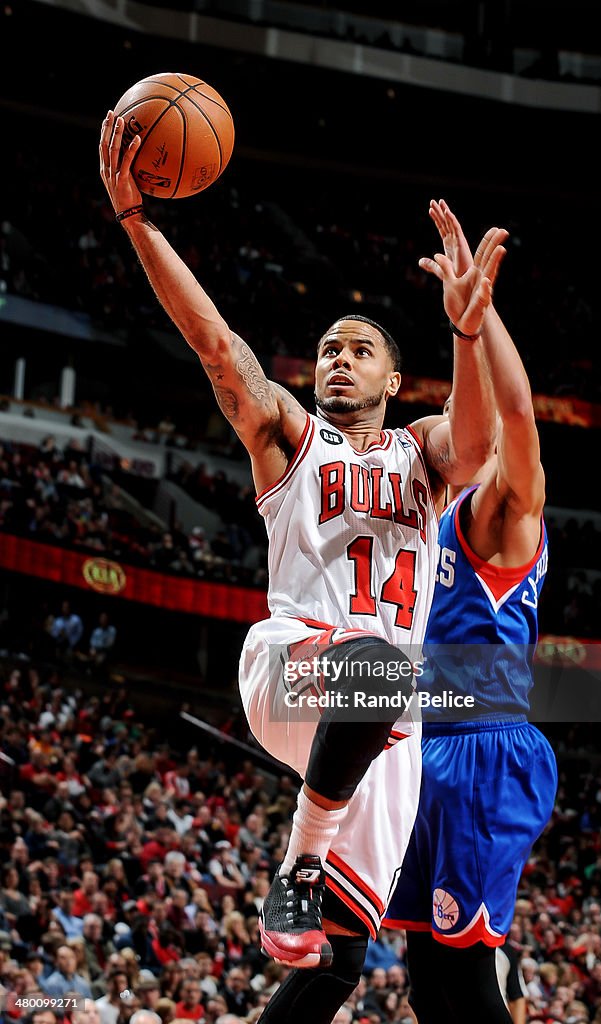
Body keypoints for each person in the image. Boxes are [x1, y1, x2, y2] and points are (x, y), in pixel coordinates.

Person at [99, 114, 505, 1023]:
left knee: (335, 962)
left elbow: (477, 444)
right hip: (293, 665)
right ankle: (297, 860)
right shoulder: (289, 436)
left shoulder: (423, 456)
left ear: (393, 382)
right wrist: (139, 223)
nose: (338, 358)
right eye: (328, 347)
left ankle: (306, 877)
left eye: (359, 349)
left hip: (381, 728)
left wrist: (468, 338)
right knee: (382, 668)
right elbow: (217, 348)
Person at [383, 205, 558, 1023]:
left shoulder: (499, 515)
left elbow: (518, 419)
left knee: (466, 981)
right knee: (425, 980)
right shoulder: (425, 519)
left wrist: (478, 324)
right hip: (428, 747)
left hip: (483, 750)